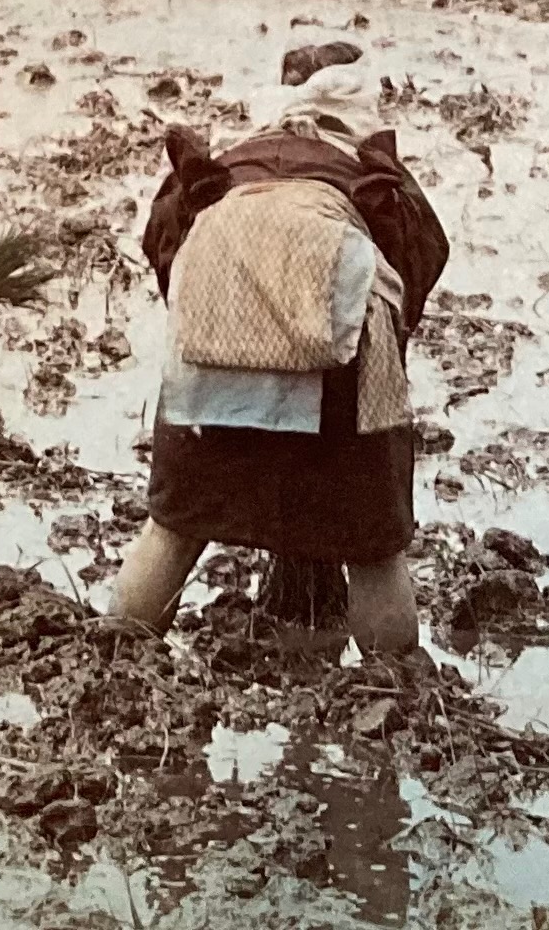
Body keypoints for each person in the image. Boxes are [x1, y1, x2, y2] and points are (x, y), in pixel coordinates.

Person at [106, 61, 450, 662]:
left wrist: (227, 340)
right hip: (341, 351)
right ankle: (396, 689)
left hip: (210, 344)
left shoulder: (239, 158)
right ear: (354, 124)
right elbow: (419, 263)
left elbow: (165, 247)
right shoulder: (374, 171)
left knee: (178, 527)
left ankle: (118, 663)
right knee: (372, 549)